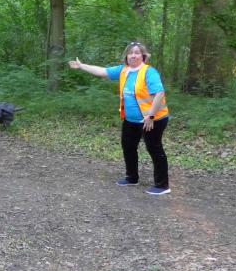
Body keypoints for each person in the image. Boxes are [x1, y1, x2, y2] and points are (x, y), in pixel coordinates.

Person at [67, 41, 171, 195]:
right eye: (130, 53)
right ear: (126, 56)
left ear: (143, 56)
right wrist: (82, 66)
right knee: (128, 147)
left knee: (154, 149)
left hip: (152, 119)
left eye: (137, 53)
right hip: (130, 119)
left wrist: (151, 116)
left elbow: (160, 93)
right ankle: (132, 178)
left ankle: (162, 185)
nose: (133, 55)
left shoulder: (149, 72)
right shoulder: (124, 70)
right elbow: (102, 71)